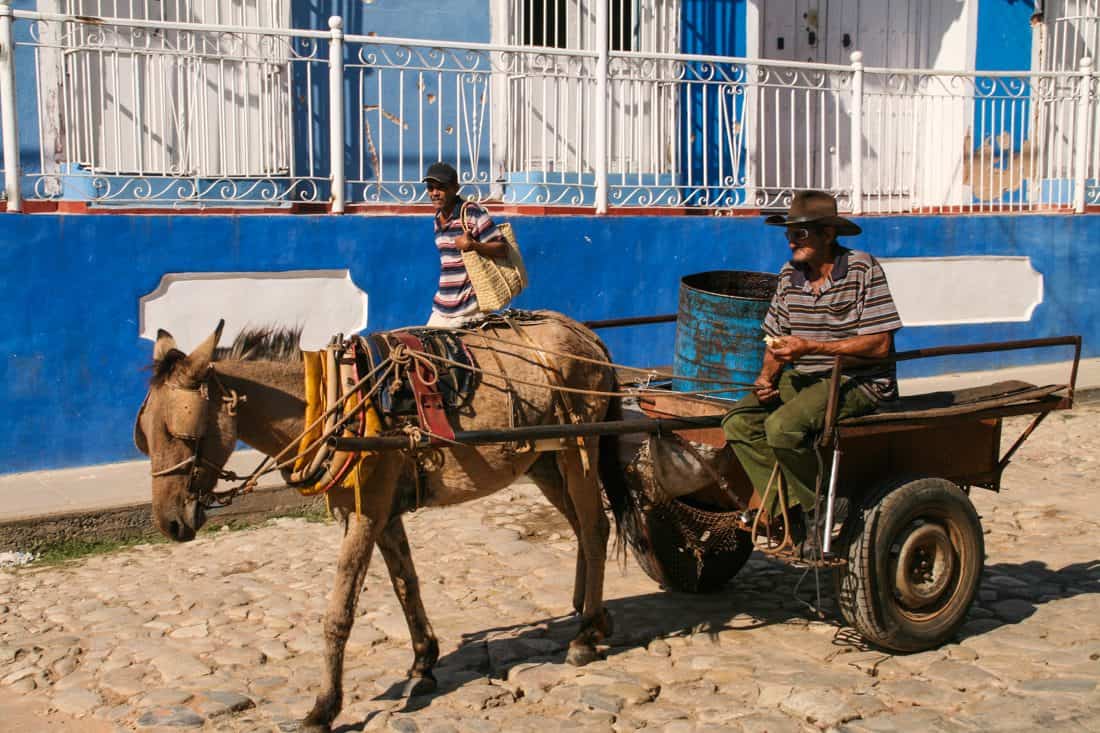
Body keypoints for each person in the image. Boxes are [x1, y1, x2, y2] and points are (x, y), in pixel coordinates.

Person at [721, 190, 903, 545]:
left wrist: (813, 346)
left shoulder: (863, 268)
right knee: (737, 422)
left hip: (857, 380)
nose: (790, 242)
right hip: (803, 378)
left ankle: (824, 503)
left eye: (799, 233)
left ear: (828, 234)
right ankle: (789, 509)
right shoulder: (789, 276)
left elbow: (880, 345)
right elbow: (775, 338)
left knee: (781, 428)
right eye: (789, 234)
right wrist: (765, 378)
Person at [422, 162, 507, 328]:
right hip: (442, 306)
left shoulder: (472, 213)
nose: (435, 193)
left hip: (469, 308)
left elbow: (503, 249)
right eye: (430, 188)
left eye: (441, 187)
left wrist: (473, 245)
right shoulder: (437, 218)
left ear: (455, 188)